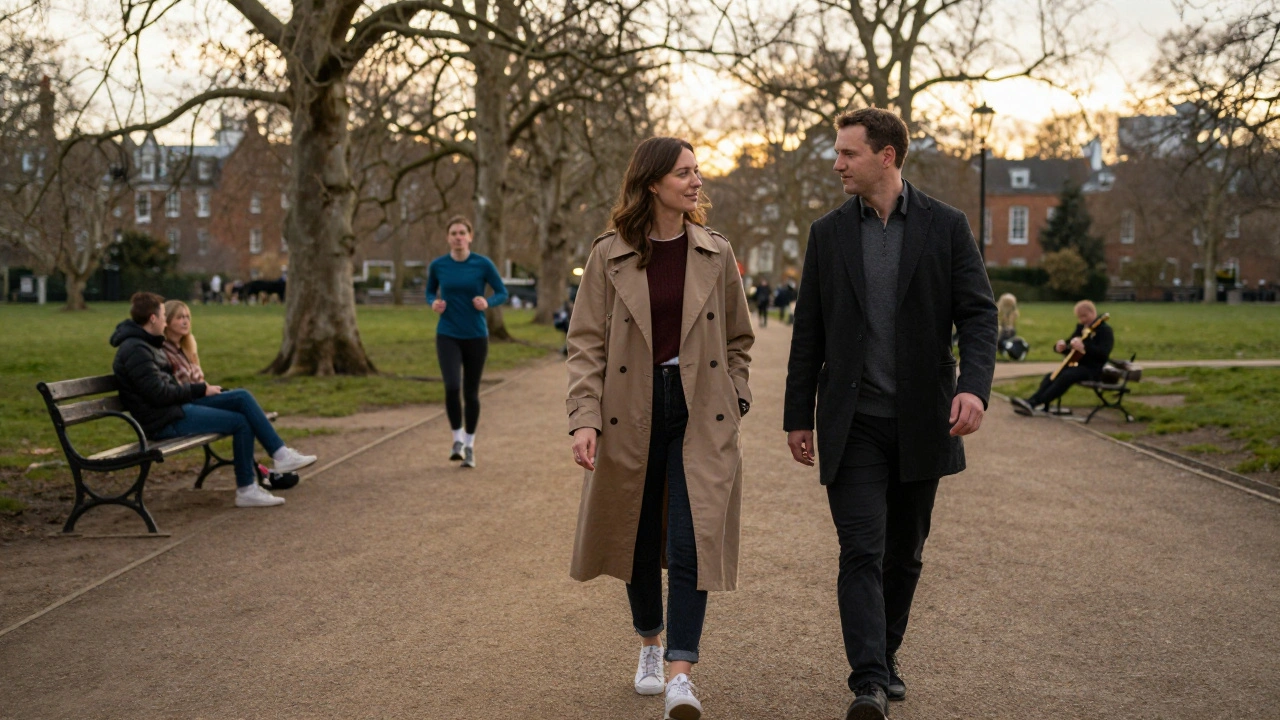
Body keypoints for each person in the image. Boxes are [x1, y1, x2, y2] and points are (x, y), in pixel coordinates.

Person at [783, 108, 997, 720]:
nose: (836, 163)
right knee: (860, 550)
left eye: (848, 153)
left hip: (922, 421)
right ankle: (869, 681)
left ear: (887, 156)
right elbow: (809, 333)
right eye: (837, 152)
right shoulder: (827, 234)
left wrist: (975, 388)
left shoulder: (945, 226)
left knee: (905, 552)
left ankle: (888, 655)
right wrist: (799, 415)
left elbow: (980, 314)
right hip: (852, 423)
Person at [566, 137, 754, 720]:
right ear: (653, 183)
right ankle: (649, 644)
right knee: (638, 535)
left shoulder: (716, 253)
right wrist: (584, 419)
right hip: (631, 407)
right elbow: (585, 344)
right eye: (684, 173)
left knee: (692, 534)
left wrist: (737, 396)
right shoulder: (609, 254)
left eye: (698, 172)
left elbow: (739, 339)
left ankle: (680, 671)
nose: (697, 182)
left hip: (699, 409)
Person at [111, 292, 317, 508]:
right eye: (163, 315)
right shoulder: (136, 350)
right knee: (240, 421)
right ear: (153, 318)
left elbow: (164, 389)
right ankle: (251, 485)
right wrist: (200, 389)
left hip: (174, 410)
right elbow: (159, 394)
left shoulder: (145, 345)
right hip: (164, 420)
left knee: (241, 398)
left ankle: (275, 460)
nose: (164, 321)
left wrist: (201, 391)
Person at [426, 215, 509, 468]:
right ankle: (457, 440)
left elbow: (502, 292)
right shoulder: (438, 265)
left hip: (476, 335)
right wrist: (433, 303)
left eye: (463, 232)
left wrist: (487, 302)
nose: (458, 237)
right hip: (448, 334)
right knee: (452, 386)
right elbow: (430, 290)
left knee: (471, 392)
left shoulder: (482, 264)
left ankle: (470, 445)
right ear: (448, 238)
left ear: (470, 237)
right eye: (454, 233)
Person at [1011, 300, 1113, 415]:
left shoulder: (1104, 331)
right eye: (1080, 317)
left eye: (1085, 316)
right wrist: (1061, 347)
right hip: (1078, 366)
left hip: (1093, 369)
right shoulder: (1081, 328)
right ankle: (1032, 401)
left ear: (1093, 312)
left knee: (1066, 376)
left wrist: (1085, 347)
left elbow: (1103, 354)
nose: (1082, 320)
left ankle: (1034, 403)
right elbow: (1070, 344)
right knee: (1051, 376)